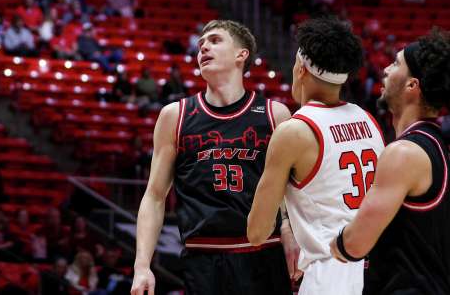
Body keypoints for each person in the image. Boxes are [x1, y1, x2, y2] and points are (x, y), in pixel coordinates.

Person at [132, 20, 294, 295]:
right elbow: (155, 196)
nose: (204, 46)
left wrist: (290, 229)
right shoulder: (175, 116)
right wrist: (142, 266)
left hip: (264, 254)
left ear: (241, 55)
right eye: (201, 44)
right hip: (202, 259)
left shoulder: (275, 114)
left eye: (216, 40)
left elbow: (290, 192)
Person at [247, 17, 384, 294]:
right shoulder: (368, 120)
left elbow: (257, 231)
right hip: (378, 269)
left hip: (331, 272)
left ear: (300, 69)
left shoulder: (294, 132)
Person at [330, 29, 450, 293]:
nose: (385, 69)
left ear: (412, 85)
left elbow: (354, 245)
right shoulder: (438, 144)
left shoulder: (404, 153)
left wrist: (330, 242)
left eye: (395, 63)